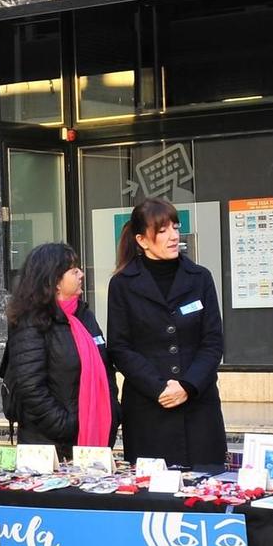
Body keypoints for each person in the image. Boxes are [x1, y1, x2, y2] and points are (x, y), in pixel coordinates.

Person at [104, 197, 227, 471]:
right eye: (162, 230)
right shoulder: (123, 284)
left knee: (207, 492)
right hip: (149, 408)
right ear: (142, 240)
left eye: (175, 227)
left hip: (199, 407)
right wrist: (159, 388)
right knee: (151, 496)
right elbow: (120, 347)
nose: (173, 236)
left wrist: (188, 386)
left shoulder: (199, 277)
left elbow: (213, 341)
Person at [1, 243, 117, 459]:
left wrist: (112, 412)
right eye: (74, 271)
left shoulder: (84, 316)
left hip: (93, 437)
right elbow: (31, 387)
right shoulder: (31, 323)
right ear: (54, 281)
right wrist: (68, 425)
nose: (81, 274)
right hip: (49, 447)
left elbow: (105, 369)